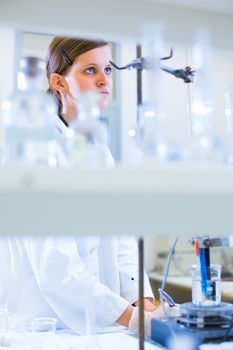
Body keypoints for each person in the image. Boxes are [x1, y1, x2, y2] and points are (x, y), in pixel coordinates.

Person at [3, 36, 179, 337]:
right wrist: (133, 319)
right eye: (90, 71)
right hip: (43, 327)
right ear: (58, 82)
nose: (103, 80)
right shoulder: (35, 148)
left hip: (102, 324)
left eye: (108, 70)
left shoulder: (97, 151)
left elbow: (120, 236)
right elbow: (56, 265)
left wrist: (145, 304)